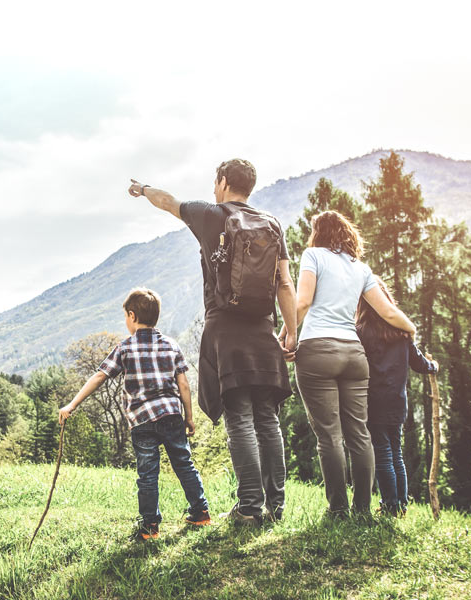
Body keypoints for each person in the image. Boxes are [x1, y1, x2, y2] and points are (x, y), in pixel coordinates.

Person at [129, 159, 297, 524]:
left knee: (239, 417)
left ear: (222, 182)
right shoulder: (271, 224)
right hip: (264, 329)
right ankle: (275, 508)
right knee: (268, 419)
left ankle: (250, 507)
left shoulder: (211, 215)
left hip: (226, 329)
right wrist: (291, 330)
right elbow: (285, 283)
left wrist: (142, 189)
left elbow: (168, 201)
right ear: (249, 186)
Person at [280, 210, 417, 516]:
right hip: (354, 356)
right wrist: (412, 328)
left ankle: (338, 509)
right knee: (360, 434)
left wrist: (288, 336)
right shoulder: (361, 268)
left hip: (317, 351)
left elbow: (301, 302)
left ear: (318, 233)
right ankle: (364, 509)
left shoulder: (312, 256)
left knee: (329, 435)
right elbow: (390, 313)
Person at [59, 288, 210, 540]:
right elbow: (183, 384)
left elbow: (100, 376)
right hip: (172, 415)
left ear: (131, 315)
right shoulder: (171, 345)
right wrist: (189, 416)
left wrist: (71, 405)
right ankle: (200, 512)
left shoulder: (125, 348)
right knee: (184, 463)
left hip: (142, 420)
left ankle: (150, 527)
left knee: (148, 473)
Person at [356, 276, 438, 517]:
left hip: (375, 401)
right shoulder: (401, 333)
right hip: (397, 401)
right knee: (396, 452)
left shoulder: (361, 333)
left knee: (382, 452)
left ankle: (391, 505)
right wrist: (433, 366)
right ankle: (400, 504)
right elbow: (420, 364)